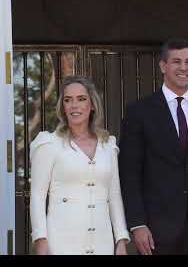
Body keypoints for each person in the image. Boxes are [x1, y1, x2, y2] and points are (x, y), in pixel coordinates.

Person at [119, 38, 188, 255]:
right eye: (177, 61)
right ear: (163, 66)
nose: (184, 68)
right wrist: (137, 223)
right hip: (156, 230)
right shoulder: (139, 112)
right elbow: (130, 173)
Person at [29, 75, 130, 255]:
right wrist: (40, 240)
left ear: (92, 105)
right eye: (68, 100)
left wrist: (121, 239)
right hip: (61, 243)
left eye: (81, 99)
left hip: (102, 243)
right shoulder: (48, 144)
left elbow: (114, 195)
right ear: (63, 106)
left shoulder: (108, 146)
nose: (74, 105)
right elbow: (37, 195)